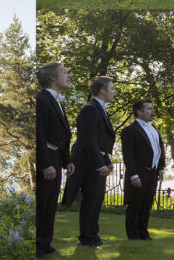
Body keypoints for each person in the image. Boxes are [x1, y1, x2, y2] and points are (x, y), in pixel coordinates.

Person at [62, 76, 116, 249]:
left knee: (96, 200)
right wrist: (99, 163)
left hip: (96, 160)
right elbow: (88, 139)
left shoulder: (100, 109)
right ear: (102, 90)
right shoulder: (90, 109)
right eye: (112, 88)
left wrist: (106, 160)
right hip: (86, 162)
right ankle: (87, 239)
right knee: (91, 200)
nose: (114, 92)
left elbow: (101, 142)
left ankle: (93, 236)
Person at [35, 62, 74, 259]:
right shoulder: (41, 100)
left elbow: (62, 134)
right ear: (52, 77)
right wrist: (44, 164)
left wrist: (67, 159)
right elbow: (39, 133)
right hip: (47, 159)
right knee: (41, 203)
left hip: (56, 157)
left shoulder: (58, 101)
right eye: (64, 72)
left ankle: (45, 244)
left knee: (51, 204)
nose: (68, 75)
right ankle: (37, 247)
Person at [121, 99, 165, 240]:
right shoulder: (129, 130)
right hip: (139, 174)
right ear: (139, 112)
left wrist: (161, 168)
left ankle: (143, 232)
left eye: (153, 108)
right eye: (149, 109)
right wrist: (133, 175)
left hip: (152, 174)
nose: (153, 111)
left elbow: (160, 150)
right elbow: (128, 155)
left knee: (146, 206)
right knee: (135, 206)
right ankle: (133, 235)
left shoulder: (153, 129)